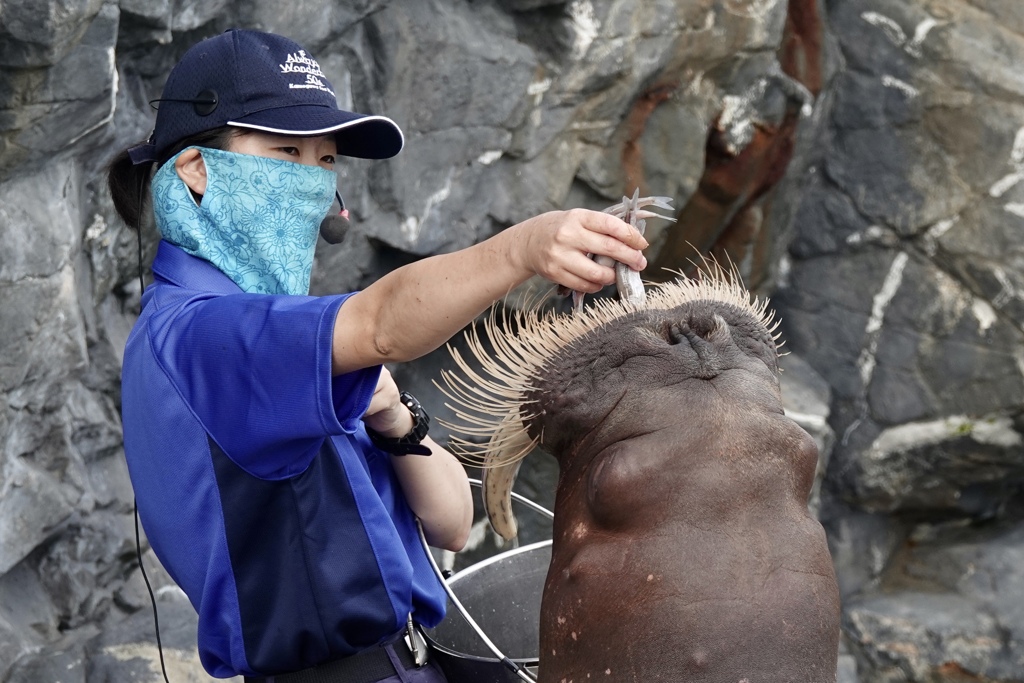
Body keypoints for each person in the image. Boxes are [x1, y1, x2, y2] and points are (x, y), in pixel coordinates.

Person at [109, 28, 648, 683]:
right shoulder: (200, 337)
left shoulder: (288, 355)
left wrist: (397, 421)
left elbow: (451, 522)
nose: (314, 186)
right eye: (286, 151)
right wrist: (520, 251)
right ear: (196, 170)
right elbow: (384, 322)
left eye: (327, 161)